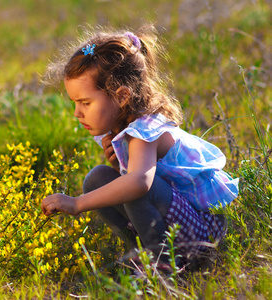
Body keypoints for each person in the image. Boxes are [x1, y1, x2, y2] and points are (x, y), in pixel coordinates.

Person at [40, 25, 239, 268]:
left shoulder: (144, 130)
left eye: (85, 103)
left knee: (133, 187)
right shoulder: (127, 124)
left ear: (122, 97)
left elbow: (139, 183)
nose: (77, 113)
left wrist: (77, 203)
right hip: (181, 221)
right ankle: (141, 252)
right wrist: (118, 165)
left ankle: (163, 262)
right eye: (74, 103)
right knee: (97, 178)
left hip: (205, 233)